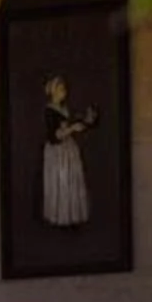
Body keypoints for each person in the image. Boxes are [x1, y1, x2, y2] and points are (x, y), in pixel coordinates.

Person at [40, 75, 96, 229]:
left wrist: (87, 122)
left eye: (64, 88)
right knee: (61, 180)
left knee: (70, 180)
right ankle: (59, 216)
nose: (64, 91)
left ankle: (70, 216)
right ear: (53, 91)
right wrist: (72, 128)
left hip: (68, 149)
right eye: (61, 88)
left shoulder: (64, 109)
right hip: (57, 151)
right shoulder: (49, 110)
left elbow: (72, 126)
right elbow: (54, 136)